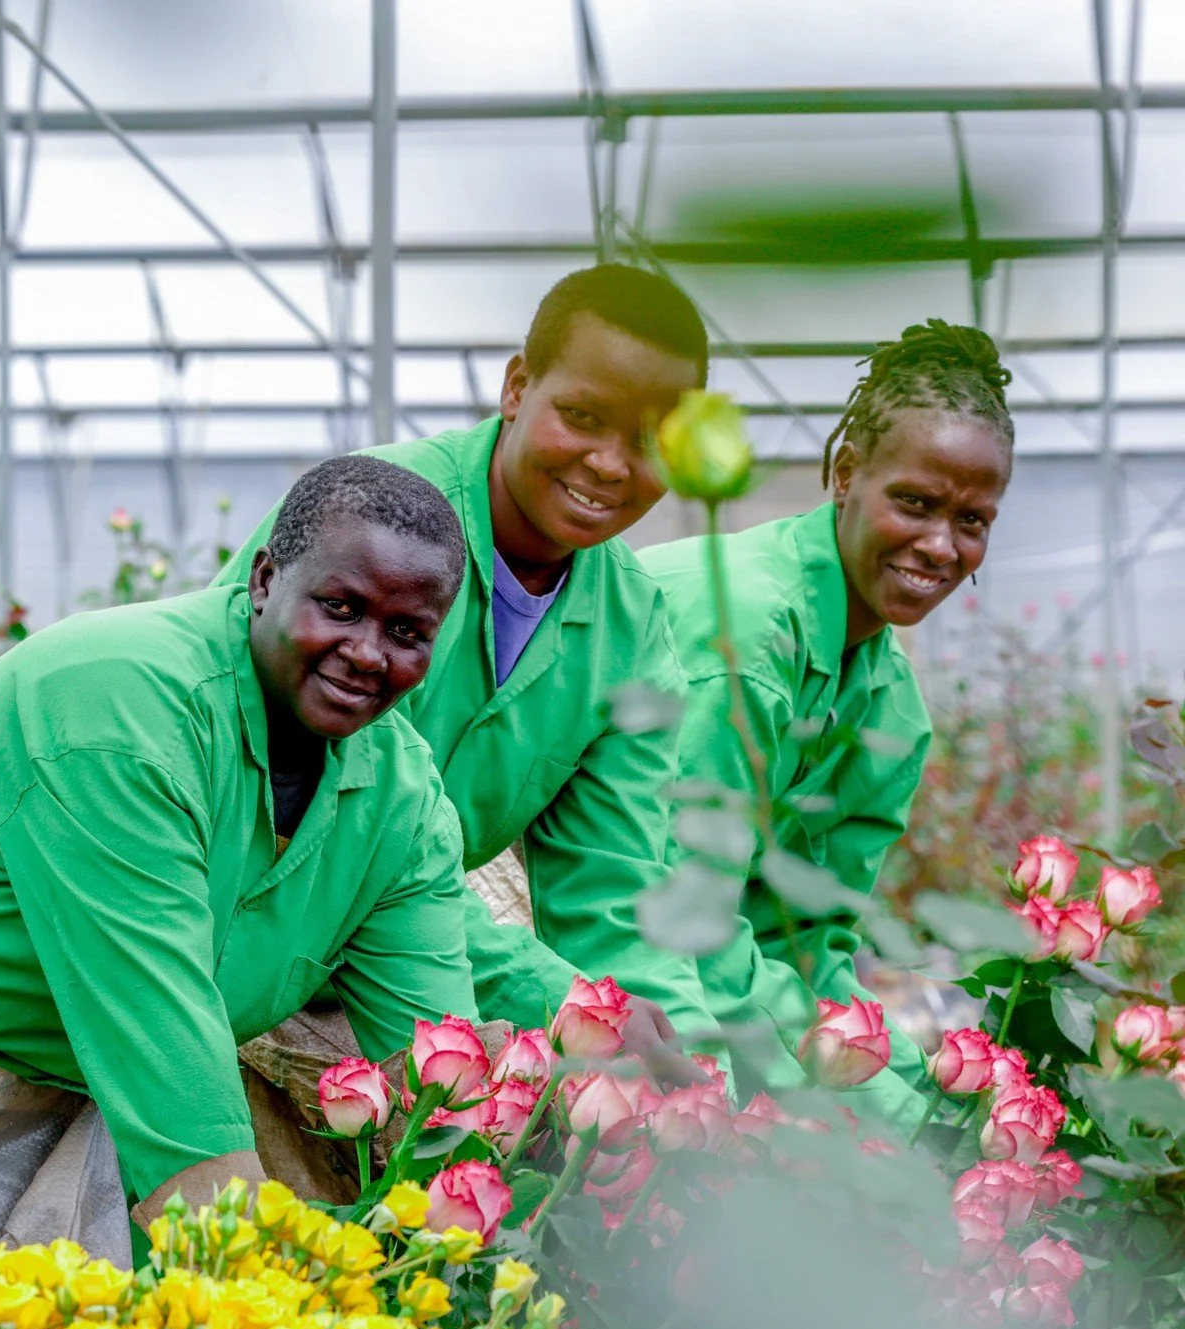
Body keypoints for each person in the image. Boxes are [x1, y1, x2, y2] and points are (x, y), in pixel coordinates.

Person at [0, 455, 479, 1329]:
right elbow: (167, 1068)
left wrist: (466, 1266)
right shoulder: (119, 706)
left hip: (40, 1097)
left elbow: (444, 1078)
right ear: (264, 580)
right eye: (340, 607)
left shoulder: (401, 805)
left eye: (407, 632)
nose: (368, 653)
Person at [219, 263, 719, 1075]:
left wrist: (688, 1067)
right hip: (236, 918)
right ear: (517, 387)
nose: (609, 463)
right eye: (583, 417)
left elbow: (615, 891)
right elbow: (329, 825)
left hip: (402, 951)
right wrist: (570, 1006)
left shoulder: (628, 628)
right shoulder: (368, 521)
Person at [640, 319, 1015, 1130]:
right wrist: (890, 1119)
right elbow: (688, 920)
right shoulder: (745, 639)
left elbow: (805, 944)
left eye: (973, 520)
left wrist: (936, 1100)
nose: (940, 545)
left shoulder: (890, 706)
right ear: (845, 475)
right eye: (914, 503)